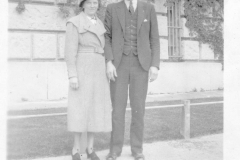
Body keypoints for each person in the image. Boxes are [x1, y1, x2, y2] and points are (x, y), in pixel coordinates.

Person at [104, 0, 160, 159]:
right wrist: (109, 62)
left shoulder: (149, 8)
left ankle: (137, 150)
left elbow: (154, 38)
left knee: (138, 111)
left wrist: (155, 65)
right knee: (117, 111)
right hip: (118, 65)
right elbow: (106, 37)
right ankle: (115, 150)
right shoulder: (112, 8)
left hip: (141, 65)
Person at [64, 0, 112, 159]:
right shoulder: (74, 23)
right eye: (89, 2)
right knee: (79, 110)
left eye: (95, 2)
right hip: (82, 69)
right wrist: (72, 75)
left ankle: (90, 148)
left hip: (99, 70)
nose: (93, 5)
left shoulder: (100, 24)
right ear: (82, 5)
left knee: (95, 110)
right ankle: (76, 150)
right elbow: (70, 52)